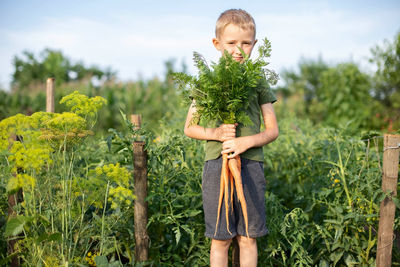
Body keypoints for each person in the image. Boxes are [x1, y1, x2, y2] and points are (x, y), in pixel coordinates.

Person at [184, 9, 279, 267]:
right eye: (232, 43)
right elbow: (190, 128)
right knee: (220, 239)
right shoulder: (208, 80)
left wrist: (244, 142)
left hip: (250, 165)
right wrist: (215, 134)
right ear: (217, 44)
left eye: (246, 43)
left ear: (254, 44)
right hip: (217, 165)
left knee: (248, 236)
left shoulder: (258, 80)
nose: (239, 49)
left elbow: (273, 130)